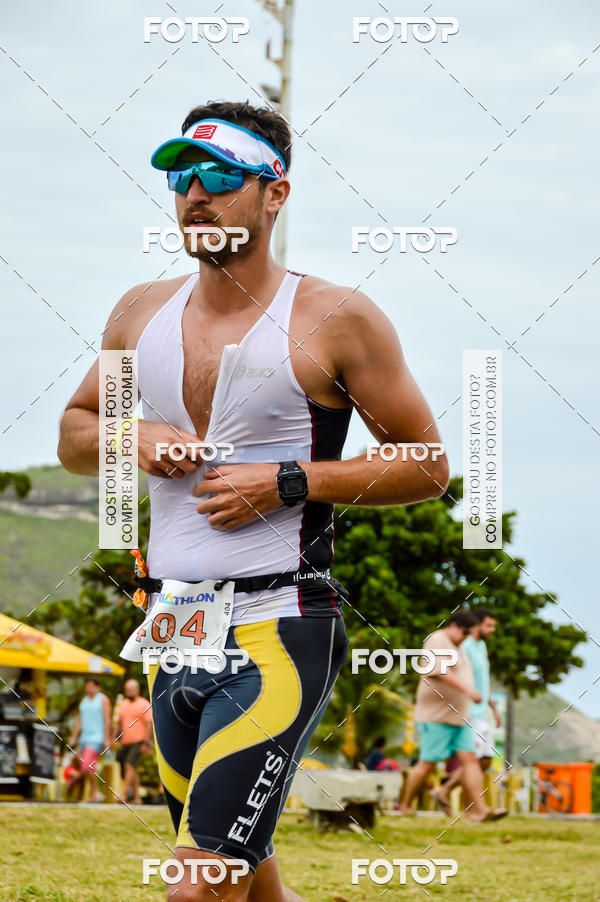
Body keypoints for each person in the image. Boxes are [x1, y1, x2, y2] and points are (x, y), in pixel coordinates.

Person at [57, 99, 449, 901]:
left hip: (282, 621)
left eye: (221, 177)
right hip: (174, 626)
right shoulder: (139, 313)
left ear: (276, 193)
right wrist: (129, 441)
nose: (195, 195)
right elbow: (74, 430)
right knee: (251, 884)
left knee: (200, 884)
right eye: (181, 176)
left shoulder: (335, 318)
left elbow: (428, 464)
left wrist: (289, 480)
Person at [398, 611, 507, 821]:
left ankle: (479, 810)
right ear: (454, 626)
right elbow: (441, 672)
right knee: (427, 763)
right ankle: (404, 805)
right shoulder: (437, 640)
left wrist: (487, 703)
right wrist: (468, 691)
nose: (465, 637)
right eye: (464, 632)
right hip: (436, 716)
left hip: (460, 717)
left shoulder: (460, 646)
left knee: (471, 761)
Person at [433, 609, 502, 806]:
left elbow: (481, 682)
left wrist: (494, 709)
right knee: (473, 759)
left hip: (482, 713)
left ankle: (447, 787)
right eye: (488, 625)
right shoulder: (466, 646)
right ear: (477, 625)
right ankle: (471, 807)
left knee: (486, 759)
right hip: (469, 711)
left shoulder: (481, 647)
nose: (492, 630)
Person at [69, 678, 111, 803]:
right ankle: (95, 793)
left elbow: (107, 719)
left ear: (97, 687)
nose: (88, 688)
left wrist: (107, 738)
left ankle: (94, 792)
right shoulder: (84, 701)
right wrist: (73, 737)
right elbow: (79, 721)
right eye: (87, 686)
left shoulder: (103, 699)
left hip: (96, 737)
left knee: (87, 765)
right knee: (88, 767)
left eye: (91, 686)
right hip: (84, 738)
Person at [112, 679, 153, 805]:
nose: (128, 692)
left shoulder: (144, 704)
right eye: (126, 689)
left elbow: (149, 724)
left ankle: (123, 794)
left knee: (129, 765)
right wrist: (113, 738)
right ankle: (137, 798)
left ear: (137, 690)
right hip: (125, 742)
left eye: (130, 689)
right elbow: (118, 723)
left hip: (138, 740)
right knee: (131, 769)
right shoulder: (123, 704)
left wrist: (147, 743)